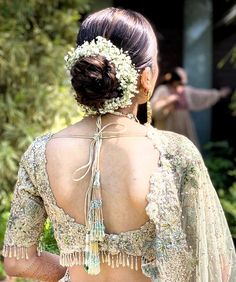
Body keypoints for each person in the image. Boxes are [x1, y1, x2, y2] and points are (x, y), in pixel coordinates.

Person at [2, 7, 236, 282]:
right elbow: (215, 266)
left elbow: (18, 262)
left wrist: (74, 274)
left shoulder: (39, 153)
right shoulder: (174, 153)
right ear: (146, 78)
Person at [151, 67, 231, 148]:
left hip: (184, 124)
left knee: (186, 146)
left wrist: (218, 94)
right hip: (168, 125)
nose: (180, 85)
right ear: (174, 80)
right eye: (179, 82)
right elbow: (154, 108)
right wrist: (168, 101)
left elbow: (201, 95)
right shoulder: (163, 90)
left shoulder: (185, 91)